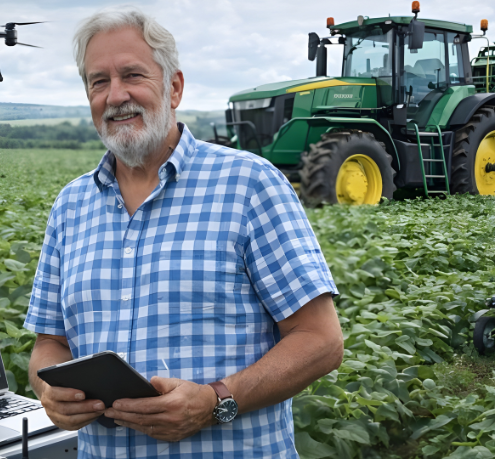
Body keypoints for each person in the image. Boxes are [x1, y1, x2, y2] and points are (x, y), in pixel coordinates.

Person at [24, 7, 343, 458]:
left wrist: (215, 401)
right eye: (99, 81)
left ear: (173, 87)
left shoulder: (249, 184)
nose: (116, 96)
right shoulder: (70, 206)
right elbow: (49, 344)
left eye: (132, 75)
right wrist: (48, 390)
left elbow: (321, 341)